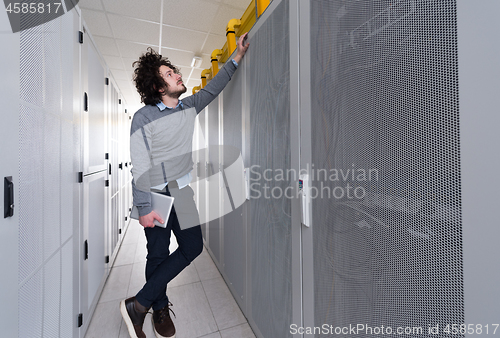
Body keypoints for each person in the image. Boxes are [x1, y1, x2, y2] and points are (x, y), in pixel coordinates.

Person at [120, 33, 249, 338]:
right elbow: (139, 165)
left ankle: (139, 304)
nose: (177, 75)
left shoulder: (187, 107)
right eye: (169, 74)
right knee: (157, 255)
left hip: (183, 193)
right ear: (157, 86)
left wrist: (237, 57)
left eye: (174, 71)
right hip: (156, 196)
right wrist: (144, 208)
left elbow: (213, 89)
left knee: (193, 247)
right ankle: (158, 307)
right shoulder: (143, 117)